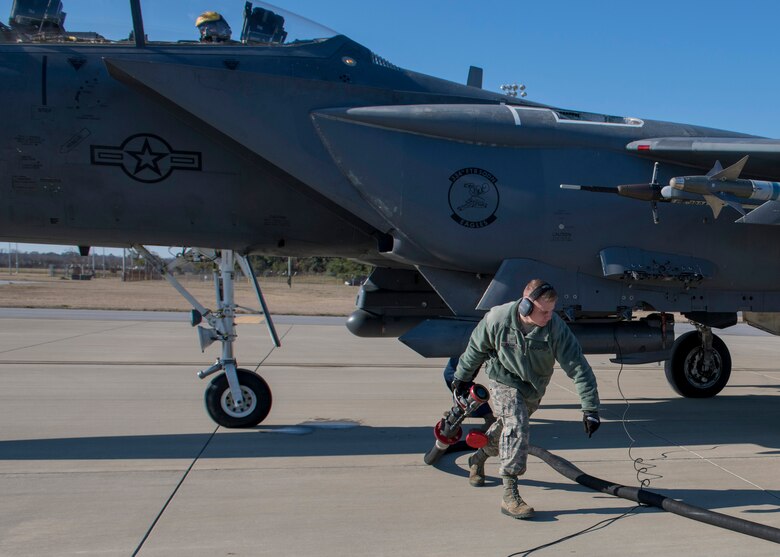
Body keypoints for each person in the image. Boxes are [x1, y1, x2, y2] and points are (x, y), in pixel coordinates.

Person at [451, 279, 600, 520]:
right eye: (544, 311)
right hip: (502, 377)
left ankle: (477, 457)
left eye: (552, 311)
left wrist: (590, 408)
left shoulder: (555, 329)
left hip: (532, 389)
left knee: (506, 429)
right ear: (525, 307)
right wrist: (461, 378)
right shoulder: (498, 319)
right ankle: (510, 493)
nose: (549, 316)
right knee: (517, 423)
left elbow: (578, 367)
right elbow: (476, 348)